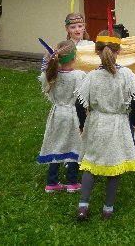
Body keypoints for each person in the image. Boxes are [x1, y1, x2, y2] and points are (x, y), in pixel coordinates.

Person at [75, 30, 135, 221]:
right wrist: (134, 121)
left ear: (96, 51)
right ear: (118, 50)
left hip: (96, 123)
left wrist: (82, 125)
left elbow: (79, 103)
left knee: (91, 164)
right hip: (118, 124)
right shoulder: (127, 75)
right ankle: (108, 209)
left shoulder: (91, 77)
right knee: (115, 165)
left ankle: (83, 206)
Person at [37, 40, 86, 193]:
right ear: (74, 57)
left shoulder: (50, 75)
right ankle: (72, 182)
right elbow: (85, 97)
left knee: (56, 144)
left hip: (57, 114)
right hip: (74, 115)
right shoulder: (80, 76)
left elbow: (44, 77)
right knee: (74, 144)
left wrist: (47, 61)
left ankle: (51, 182)